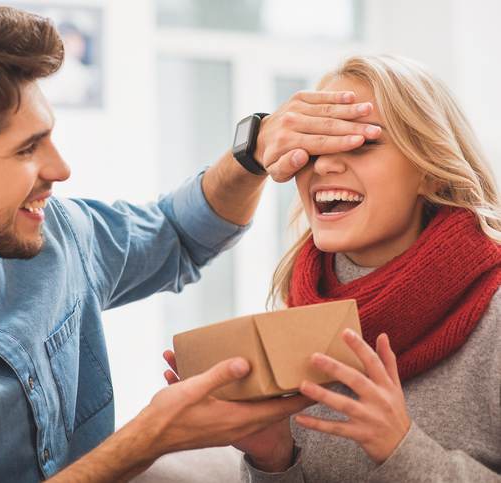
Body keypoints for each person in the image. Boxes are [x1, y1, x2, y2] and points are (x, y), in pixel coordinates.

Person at [0, 6, 382, 482]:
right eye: (26, 149)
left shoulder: (53, 236)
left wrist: (253, 152)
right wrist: (146, 441)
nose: (61, 169)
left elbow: (178, 235)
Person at [164, 54, 499, 482]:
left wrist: (402, 450)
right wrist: (274, 458)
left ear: (431, 172)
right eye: (313, 146)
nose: (322, 165)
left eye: (360, 143)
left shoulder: (495, 315)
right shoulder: (299, 305)